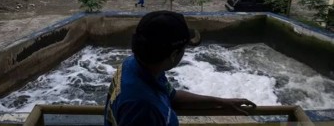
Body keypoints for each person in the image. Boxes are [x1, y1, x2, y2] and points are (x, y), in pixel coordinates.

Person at [104, 10, 256, 126]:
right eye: (184, 49)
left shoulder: (135, 65)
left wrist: (221, 102)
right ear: (174, 54)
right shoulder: (143, 108)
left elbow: (172, 96)